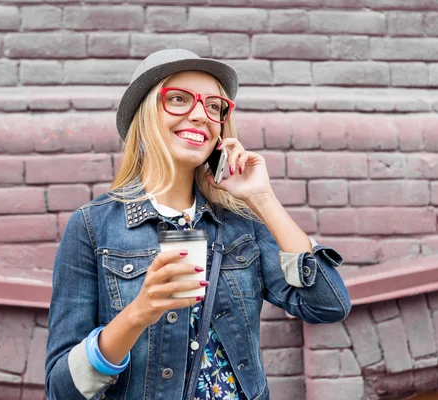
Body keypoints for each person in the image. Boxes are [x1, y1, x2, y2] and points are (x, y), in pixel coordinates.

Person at [44, 49, 351, 400]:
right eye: (178, 99)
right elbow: (62, 389)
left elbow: (329, 305)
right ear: (145, 114)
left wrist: (261, 198)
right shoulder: (92, 227)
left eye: (214, 106)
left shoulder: (241, 223)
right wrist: (138, 313)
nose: (200, 115)